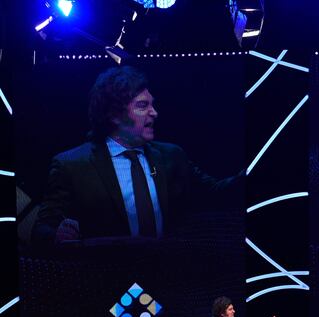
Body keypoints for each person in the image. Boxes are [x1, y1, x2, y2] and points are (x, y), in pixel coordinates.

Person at [32, 65, 241, 245]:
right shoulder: (71, 166)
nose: (154, 112)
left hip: (172, 278)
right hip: (105, 280)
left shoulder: (172, 156)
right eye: (142, 105)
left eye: (152, 104)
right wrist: (57, 236)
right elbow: (41, 230)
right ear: (114, 114)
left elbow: (216, 194)